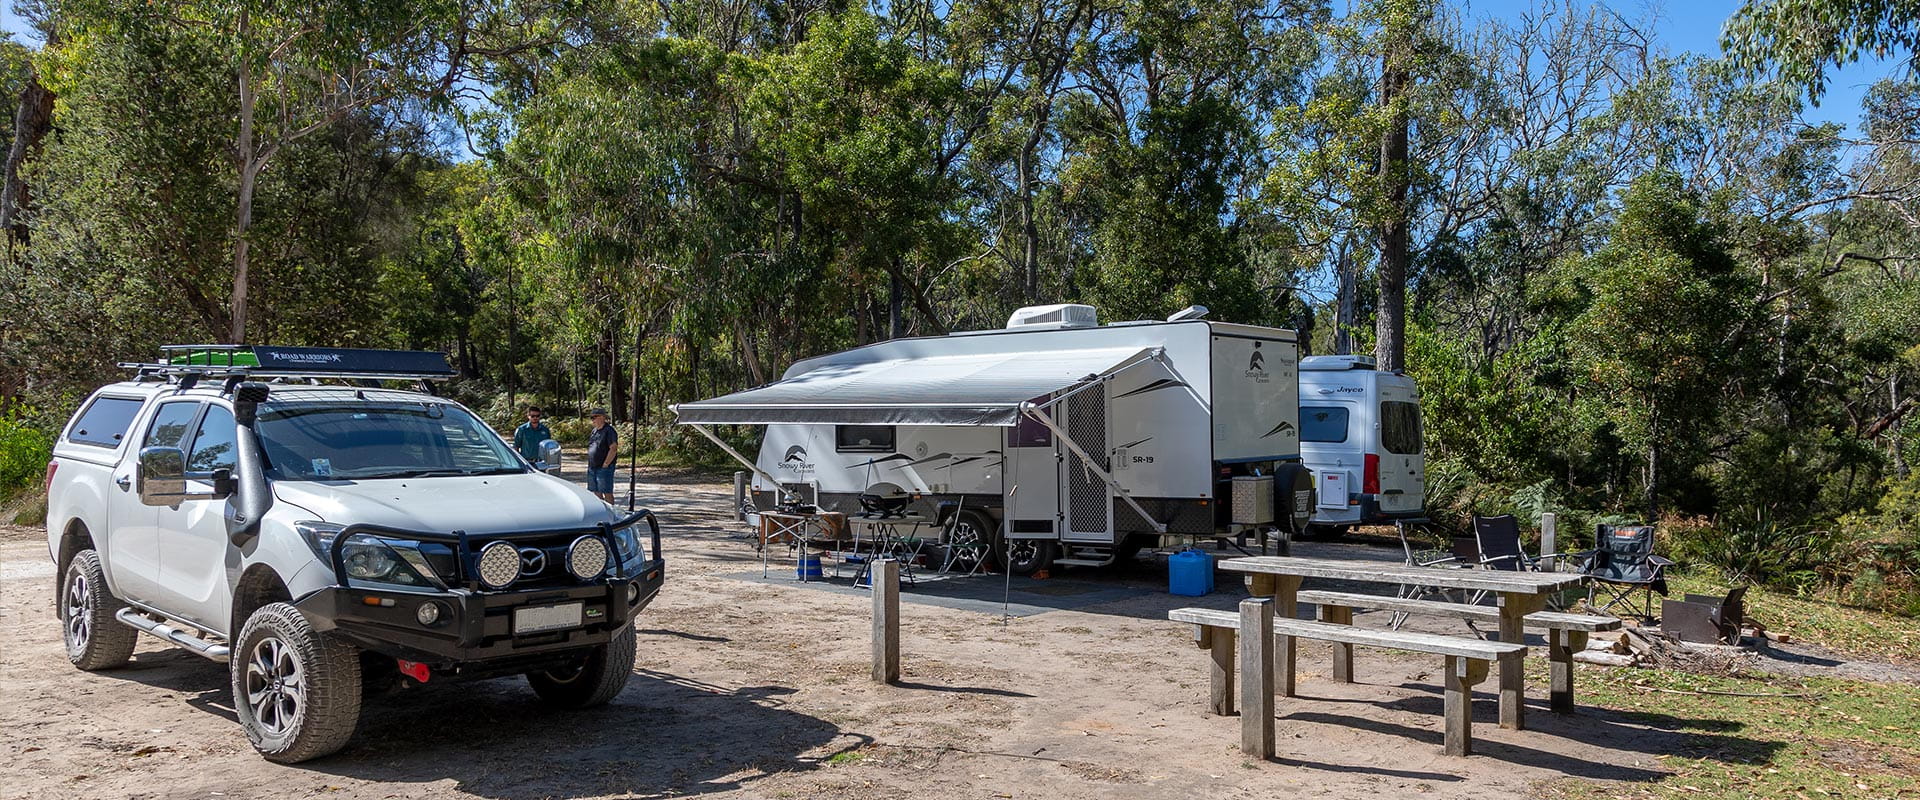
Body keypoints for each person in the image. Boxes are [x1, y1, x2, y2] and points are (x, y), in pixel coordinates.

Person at [584, 409, 618, 504]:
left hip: (604, 467)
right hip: (592, 466)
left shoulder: (609, 431)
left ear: (602, 417)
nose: (592, 420)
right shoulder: (594, 431)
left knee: (607, 491)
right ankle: (601, 511)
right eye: (591, 417)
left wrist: (606, 464)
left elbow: (613, 448)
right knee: (595, 491)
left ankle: (611, 513)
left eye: (595, 417)